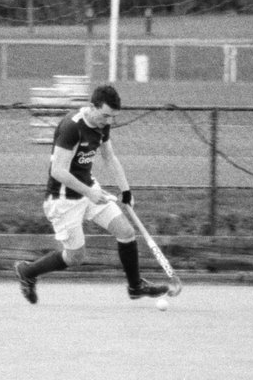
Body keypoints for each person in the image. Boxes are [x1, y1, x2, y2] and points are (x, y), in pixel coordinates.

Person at [13, 83, 169, 304]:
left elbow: (109, 157)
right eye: (105, 115)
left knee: (126, 232)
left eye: (112, 117)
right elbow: (57, 171)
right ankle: (27, 272)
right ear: (92, 107)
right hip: (63, 199)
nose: (108, 122)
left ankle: (135, 287)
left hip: (89, 189)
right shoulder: (72, 128)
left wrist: (125, 190)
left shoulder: (102, 125)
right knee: (75, 257)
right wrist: (89, 192)